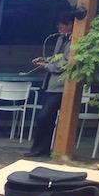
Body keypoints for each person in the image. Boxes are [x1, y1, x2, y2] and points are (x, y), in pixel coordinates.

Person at [24, 12, 74, 158]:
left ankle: (40, 148)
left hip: (60, 87)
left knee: (44, 117)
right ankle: (42, 149)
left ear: (70, 24)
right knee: (47, 118)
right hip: (49, 85)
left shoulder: (74, 41)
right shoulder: (61, 39)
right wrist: (45, 59)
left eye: (61, 25)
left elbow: (65, 64)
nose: (59, 28)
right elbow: (57, 58)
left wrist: (46, 66)